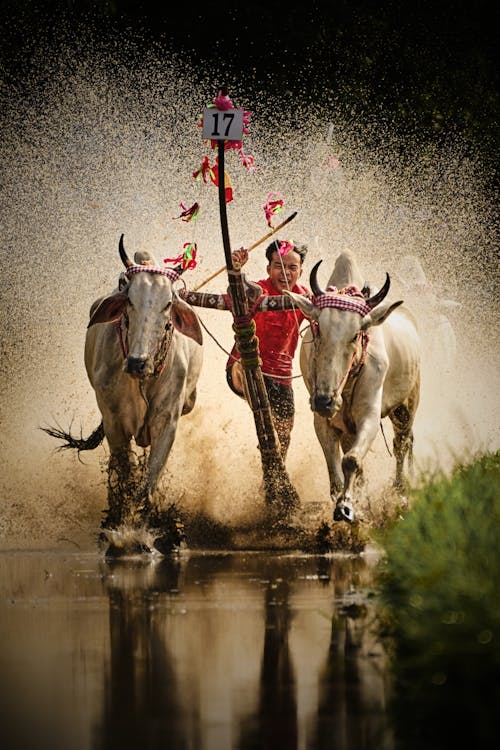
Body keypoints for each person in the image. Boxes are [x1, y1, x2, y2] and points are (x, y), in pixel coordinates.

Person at [226, 239, 309, 458]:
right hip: (244, 367)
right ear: (268, 269)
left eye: (292, 267)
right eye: (278, 266)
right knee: (267, 423)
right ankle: (267, 438)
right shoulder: (258, 290)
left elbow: (329, 315)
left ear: (300, 271)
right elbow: (238, 292)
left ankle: (276, 475)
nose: (285, 273)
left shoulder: (305, 298)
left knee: (285, 435)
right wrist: (236, 271)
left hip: (281, 375)